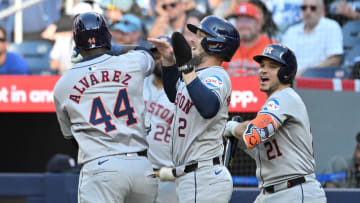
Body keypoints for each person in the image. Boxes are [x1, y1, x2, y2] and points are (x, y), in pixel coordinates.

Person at [53, 12, 157, 203]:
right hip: (141, 167)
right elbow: (148, 52)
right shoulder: (131, 62)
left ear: (76, 42)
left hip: (101, 167)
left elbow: (71, 137)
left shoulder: (63, 84)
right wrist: (115, 49)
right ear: (107, 36)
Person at [148, 15, 240, 203]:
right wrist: (168, 62)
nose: (192, 40)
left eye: (200, 36)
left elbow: (208, 107)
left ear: (215, 44)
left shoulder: (217, 75)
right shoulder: (196, 76)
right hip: (191, 176)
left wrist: (187, 70)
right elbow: (175, 95)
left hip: (203, 175)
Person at [224, 44, 327, 202]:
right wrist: (238, 136)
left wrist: (232, 128)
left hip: (295, 191)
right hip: (272, 193)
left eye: (272, 66)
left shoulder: (285, 97)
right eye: (262, 65)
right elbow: (260, 148)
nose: (263, 70)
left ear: (286, 72)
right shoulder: (273, 105)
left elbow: (253, 134)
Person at [144, 36, 178, 203]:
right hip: (139, 172)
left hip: (169, 174)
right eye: (156, 56)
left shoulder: (182, 90)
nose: (159, 60)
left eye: (164, 56)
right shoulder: (139, 84)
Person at [281, 0, 343, 77]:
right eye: (304, 8)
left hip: (319, 80)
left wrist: (307, 72)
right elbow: (282, 59)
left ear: (322, 10)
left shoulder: (331, 27)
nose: (308, 11)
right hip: (291, 80)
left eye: (313, 8)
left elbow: (335, 60)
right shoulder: (291, 31)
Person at [223, 2, 277, 76]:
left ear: (258, 24)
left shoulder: (272, 47)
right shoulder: (226, 46)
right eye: (240, 20)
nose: (243, 25)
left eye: (248, 20)